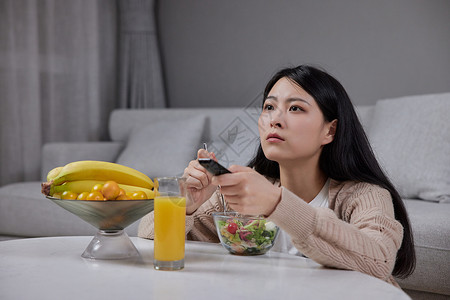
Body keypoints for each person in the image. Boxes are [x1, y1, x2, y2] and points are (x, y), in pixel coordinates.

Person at [138, 65, 415, 287]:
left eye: (295, 108)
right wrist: (182, 205)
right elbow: (149, 244)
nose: (275, 119)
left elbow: (378, 262)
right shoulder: (236, 196)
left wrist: (276, 204)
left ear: (329, 131)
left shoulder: (364, 195)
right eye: (269, 107)